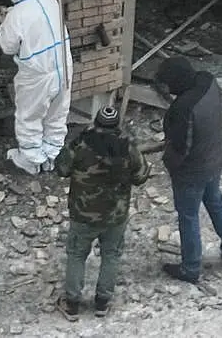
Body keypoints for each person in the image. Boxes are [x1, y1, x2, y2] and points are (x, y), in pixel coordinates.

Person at [54, 106, 151, 320]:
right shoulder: (128, 147)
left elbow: (61, 169)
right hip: (116, 215)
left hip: (83, 214)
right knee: (111, 255)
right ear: (117, 125)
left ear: (96, 123)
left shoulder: (80, 144)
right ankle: (102, 302)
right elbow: (142, 176)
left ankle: (72, 304)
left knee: (77, 255)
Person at [155, 57, 222, 284]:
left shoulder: (183, 108)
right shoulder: (208, 81)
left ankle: (190, 267)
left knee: (188, 216)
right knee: (216, 203)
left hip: (192, 171)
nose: (167, 89)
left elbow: (181, 148)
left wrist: (170, 165)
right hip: (215, 157)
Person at [0, 0, 73, 175]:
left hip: (38, 74)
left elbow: (7, 46)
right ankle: (52, 155)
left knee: (29, 116)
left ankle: (31, 160)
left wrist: (4, 23)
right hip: (64, 66)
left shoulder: (16, 15)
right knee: (57, 113)